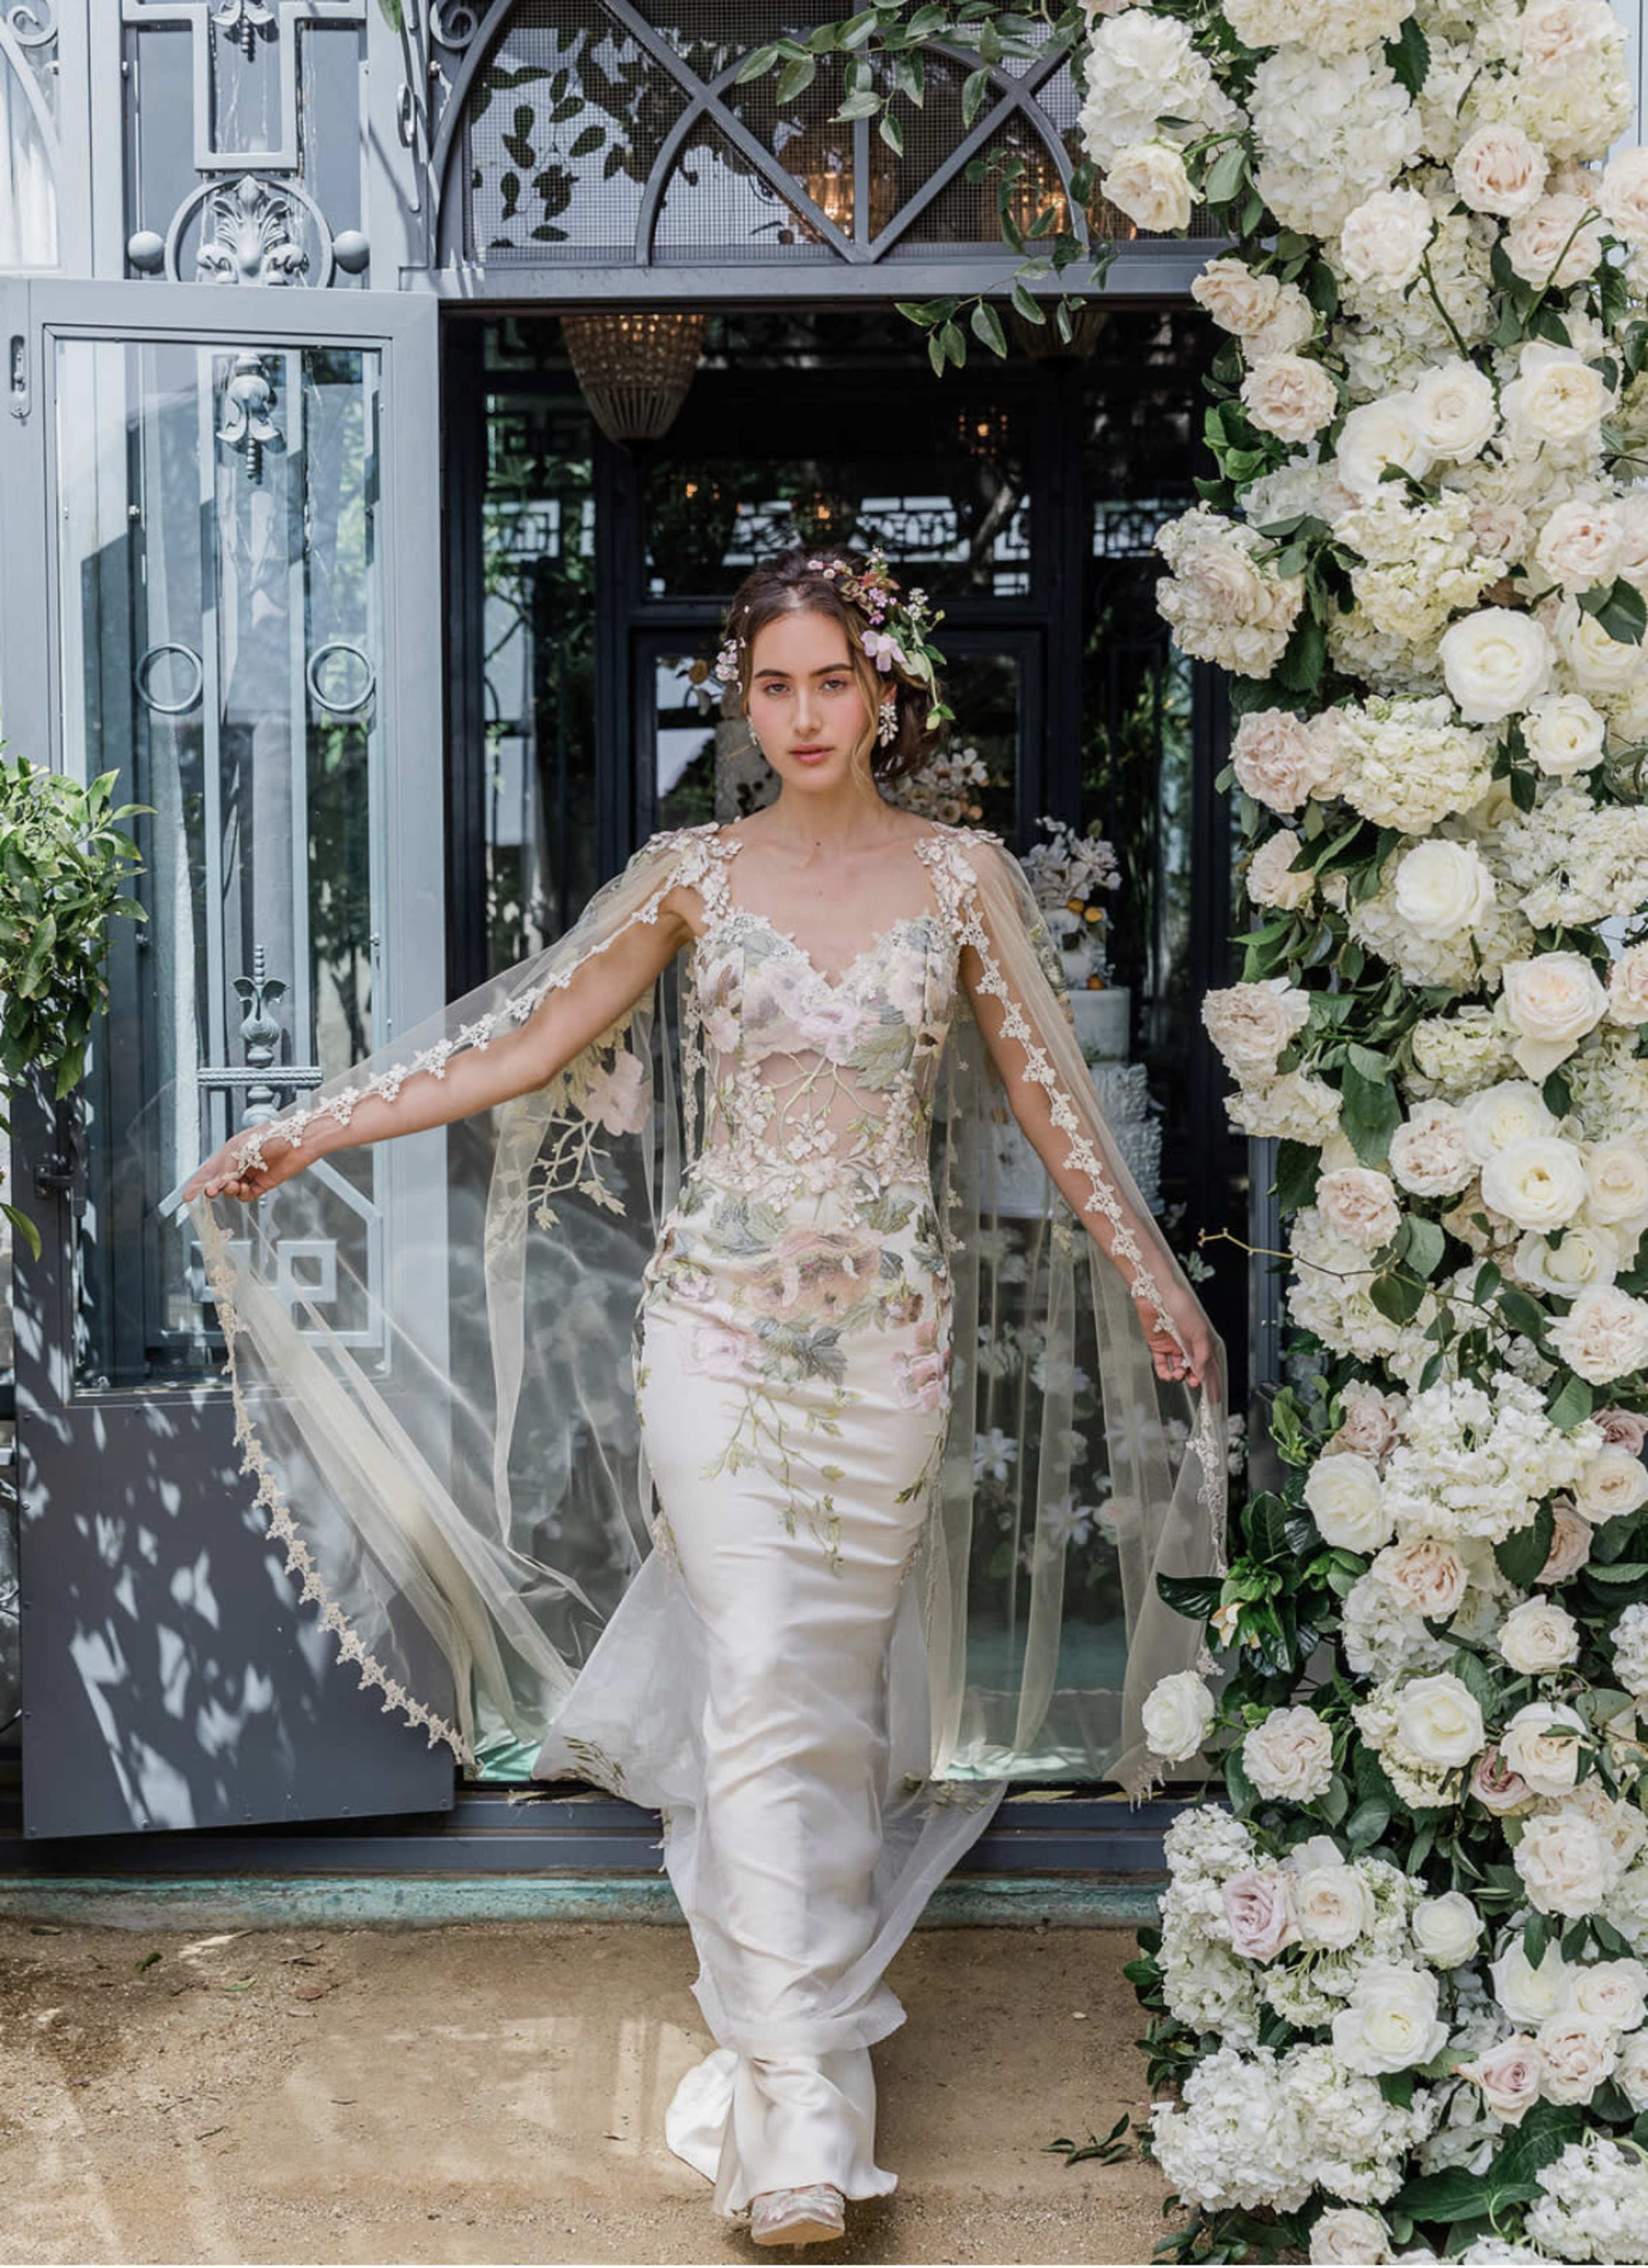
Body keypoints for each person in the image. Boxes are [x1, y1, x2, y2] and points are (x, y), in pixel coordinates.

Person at [179, 544, 1225, 2244]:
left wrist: (1155, 1276)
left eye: (833, 681)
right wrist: (307, 1129)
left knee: (824, 1694)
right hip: (716, 1334)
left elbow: (1052, 1105)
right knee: (752, 1679)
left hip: (884, 1343)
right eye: (773, 685)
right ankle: (799, 2099)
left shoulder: (958, 879)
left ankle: (792, 2043)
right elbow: (521, 1042)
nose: (804, 714)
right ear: (743, 702)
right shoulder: (693, 878)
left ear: (883, 692)